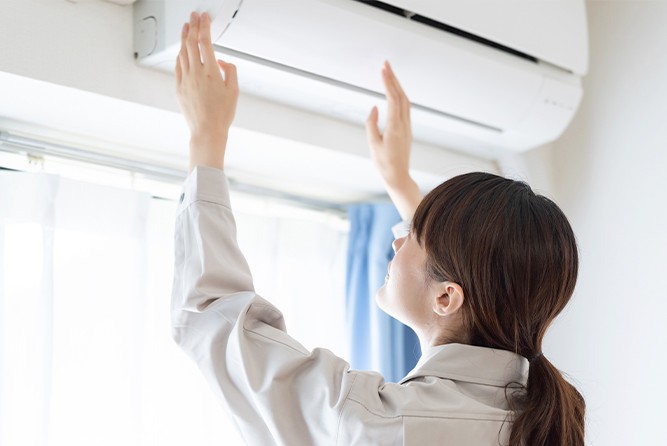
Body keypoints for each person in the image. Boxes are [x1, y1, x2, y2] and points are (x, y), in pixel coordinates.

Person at [172, 11, 585, 446]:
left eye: (414, 236)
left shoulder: (373, 421)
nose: (396, 238)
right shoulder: (545, 421)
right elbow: (463, 271)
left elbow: (213, 315)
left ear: (447, 297)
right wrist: (401, 184)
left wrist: (206, 138)